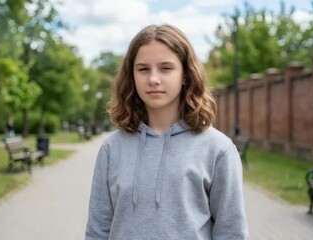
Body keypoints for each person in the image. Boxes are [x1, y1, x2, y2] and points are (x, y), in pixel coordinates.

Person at [85, 24, 249, 239]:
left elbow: (232, 232)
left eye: (166, 68)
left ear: (185, 75)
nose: (153, 79)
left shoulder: (218, 149)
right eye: (143, 69)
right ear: (132, 76)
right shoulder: (111, 149)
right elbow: (97, 230)